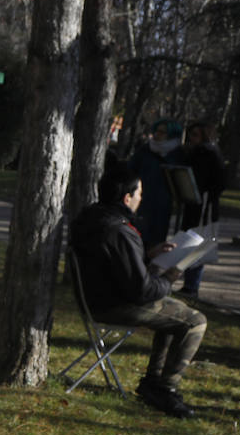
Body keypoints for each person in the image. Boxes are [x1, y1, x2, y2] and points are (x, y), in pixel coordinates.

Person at [68, 163, 207, 419]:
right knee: (195, 321)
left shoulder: (92, 217)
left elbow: (115, 263)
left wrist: (148, 254)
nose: (141, 199)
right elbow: (142, 290)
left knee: (175, 314)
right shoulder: (119, 230)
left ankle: (153, 383)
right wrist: (170, 276)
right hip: (115, 305)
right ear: (126, 197)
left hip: (96, 298)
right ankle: (165, 388)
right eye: (139, 193)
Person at [179, 121, 226, 299]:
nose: (192, 139)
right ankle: (188, 282)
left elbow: (219, 182)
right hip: (194, 204)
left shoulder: (209, 154)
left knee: (198, 243)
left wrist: (205, 194)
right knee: (189, 241)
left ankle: (192, 285)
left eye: (195, 135)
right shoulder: (196, 153)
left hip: (204, 206)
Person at [129, 118, 187, 248]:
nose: (157, 134)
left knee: (157, 239)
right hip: (142, 199)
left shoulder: (178, 154)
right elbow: (131, 170)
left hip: (162, 203)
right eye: (157, 131)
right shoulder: (145, 150)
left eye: (162, 132)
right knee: (138, 236)